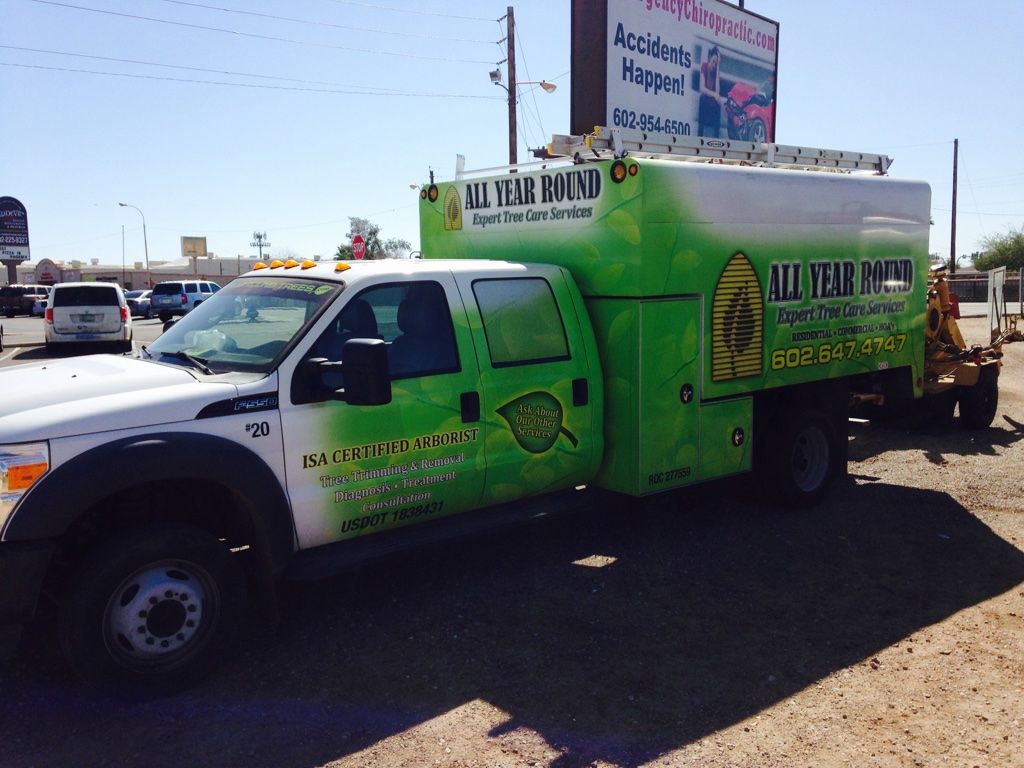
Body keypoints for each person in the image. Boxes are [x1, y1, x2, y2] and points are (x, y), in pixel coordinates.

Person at [698, 46, 722, 138]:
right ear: (709, 59)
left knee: (718, 104)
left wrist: (718, 68)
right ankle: (699, 138)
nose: (714, 65)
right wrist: (714, 95)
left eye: (716, 63)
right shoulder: (704, 66)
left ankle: (716, 139)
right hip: (705, 104)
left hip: (712, 106)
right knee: (702, 98)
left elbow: (718, 91)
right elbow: (702, 88)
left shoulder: (716, 71)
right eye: (713, 62)